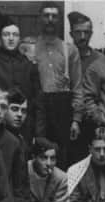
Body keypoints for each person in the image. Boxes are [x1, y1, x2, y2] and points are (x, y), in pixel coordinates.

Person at [0, 15, 45, 144]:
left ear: (19, 38)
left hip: (25, 128)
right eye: (6, 34)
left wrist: (39, 133)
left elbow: (39, 102)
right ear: (0, 37)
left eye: (15, 35)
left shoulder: (29, 66)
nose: (11, 38)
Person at [35, 2, 83, 168]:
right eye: (46, 15)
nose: (50, 19)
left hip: (62, 111)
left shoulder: (70, 50)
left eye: (54, 16)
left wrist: (76, 120)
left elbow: (77, 87)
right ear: (40, 18)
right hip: (38, 110)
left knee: (62, 160)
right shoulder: (29, 48)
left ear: (59, 19)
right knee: (38, 157)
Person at [28, 137, 69, 202]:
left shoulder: (61, 178)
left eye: (53, 159)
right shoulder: (23, 171)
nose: (49, 163)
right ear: (34, 157)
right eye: (44, 158)